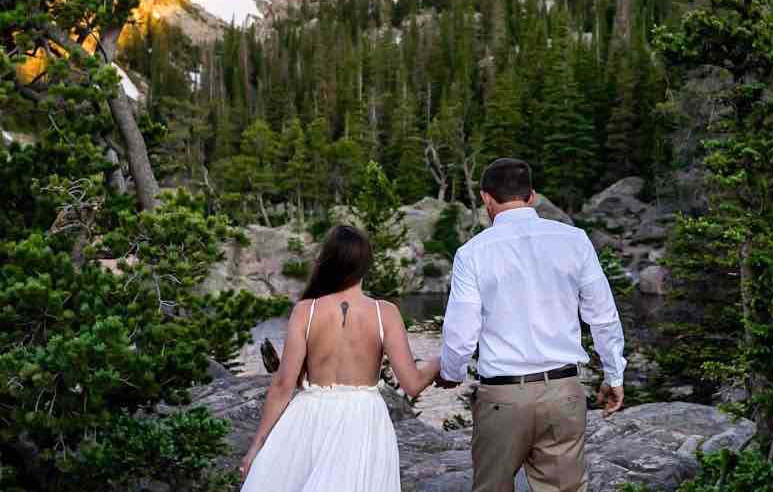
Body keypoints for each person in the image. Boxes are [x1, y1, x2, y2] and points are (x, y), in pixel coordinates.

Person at [437, 158, 627, 492]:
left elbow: (461, 334)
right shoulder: (575, 240)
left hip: (502, 397)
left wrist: (451, 375)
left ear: (485, 198)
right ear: (533, 196)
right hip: (563, 392)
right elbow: (603, 315)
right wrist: (614, 375)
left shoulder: (472, 253)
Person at [240, 224, 441, 492]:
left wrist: (257, 446)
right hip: (363, 419)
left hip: (308, 416)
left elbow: (283, 385)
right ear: (366, 264)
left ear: (328, 261)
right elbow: (412, 384)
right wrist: (441, 362)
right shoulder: (385, 313)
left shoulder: (305, 311)